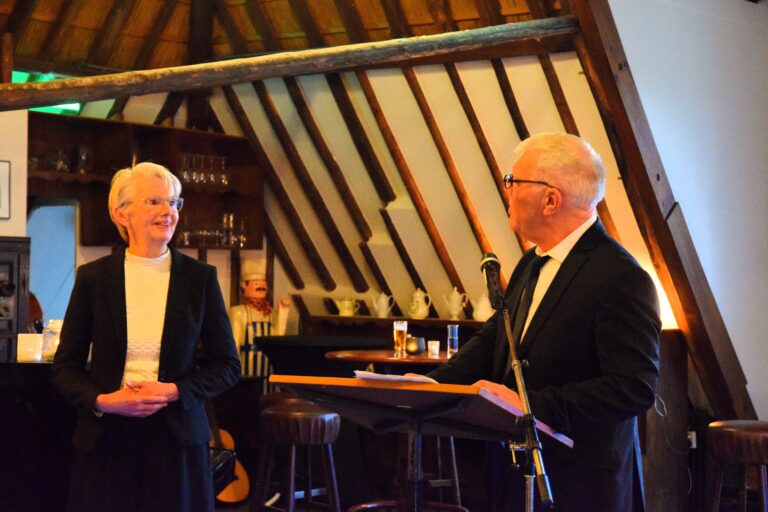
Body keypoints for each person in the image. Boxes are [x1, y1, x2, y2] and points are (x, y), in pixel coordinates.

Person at [427, 133, 661, 512]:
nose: (507, 190)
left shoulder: (621, 276)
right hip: (514, 474)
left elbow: (633, 388)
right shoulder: (532, 262)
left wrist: (529, 405)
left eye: (513, 181)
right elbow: (497, 338)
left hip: (581, 483)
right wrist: (433, 386)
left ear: (551, 199)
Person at [51, 162, 241, 512]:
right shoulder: (93, 278)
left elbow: (228, 366)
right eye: (154, 201)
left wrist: (174, 391)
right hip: (106, 438)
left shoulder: (200, 279)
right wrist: (103, 401)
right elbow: (65, 368)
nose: (168, 211)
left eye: (174, 202)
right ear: (121, 213)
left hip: (177, 439)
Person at [228, 264, 291, 378]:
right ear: (244, 286)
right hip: (246, 370)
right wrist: (232, 370)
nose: (261, 285)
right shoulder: (238, 312)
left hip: (267, 367)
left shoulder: (271, 313)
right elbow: (233, 343)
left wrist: (283, 311)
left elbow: (277, 340)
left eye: (263, 283)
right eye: (256, 282)